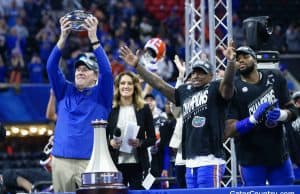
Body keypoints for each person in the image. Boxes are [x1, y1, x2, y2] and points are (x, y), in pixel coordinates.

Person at [119, 41, 237, 188]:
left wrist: (231, 62)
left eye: (201, 72)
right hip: (189, 162)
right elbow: (160, 85)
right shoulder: (185, 91)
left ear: (211, 76)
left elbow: (228, 84)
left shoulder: (216, 89)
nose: (196, 76)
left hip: (211, 160)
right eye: (193, 72)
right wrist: (138, 66)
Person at [46, 15, 113, 192]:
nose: (80, 72)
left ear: (95, 77)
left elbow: (107, 71)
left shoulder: (102, 95)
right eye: (77, 69)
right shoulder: (64, 91)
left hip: (90, 162)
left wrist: (93, 38)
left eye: (86, 69)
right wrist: (63, 37)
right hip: (60, 160)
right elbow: (51, 66)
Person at [225, 46, 298, 186]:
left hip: (279, 155)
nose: (241, 61)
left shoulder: (275, 77)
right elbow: (230, 130)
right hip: (251, 158)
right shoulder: (233, 88)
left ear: (255, 60)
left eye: (245, 57)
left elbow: (293, 111)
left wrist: (281, 115)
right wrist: (253, 119)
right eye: (238, 59)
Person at [107, 71, 156, 189]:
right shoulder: (110, 108)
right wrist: (110, 143)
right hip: (115, 164)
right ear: (118, 87)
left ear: (135, 86)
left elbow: (152, 138)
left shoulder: (144, 108)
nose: (126, 86)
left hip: (138, 164)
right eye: (122, 83)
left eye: (129, 83)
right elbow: (102, 136)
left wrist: (140, 143)